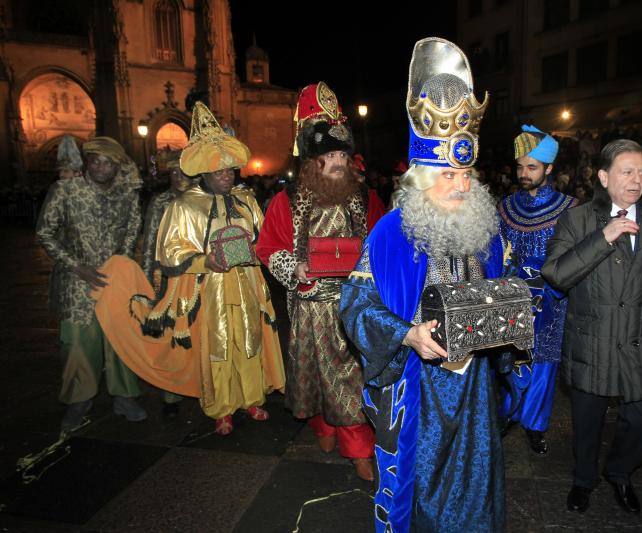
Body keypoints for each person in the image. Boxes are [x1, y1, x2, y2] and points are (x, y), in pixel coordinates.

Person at [340, 37, 507, 532]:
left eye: (467, 173)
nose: (461, 186)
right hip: (418, 386)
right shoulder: (390, 233)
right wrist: (407, 334)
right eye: (449, 174)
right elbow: (355, 305)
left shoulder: (487, 225)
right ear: (420, 174)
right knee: (423, 492)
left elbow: (503, 287)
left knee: (476, 487)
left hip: (474, 387)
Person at [91, 102, 285, 435]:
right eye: (219, 172)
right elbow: (171, 252)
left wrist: (255, 252)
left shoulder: (246, 200)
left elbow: (262, 236)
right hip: (210, 288)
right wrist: (204, 261)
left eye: (230, 170)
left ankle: (252, 397)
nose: (226, 176)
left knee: (250, 337)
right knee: (219, 344)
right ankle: (221, 407)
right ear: (205, 173)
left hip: (247, 282)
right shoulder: (184, 206)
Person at [542, 139, 642, 515]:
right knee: (587, 421)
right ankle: (584, 480)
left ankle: (620, 473)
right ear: (603, 176)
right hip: (593, 341)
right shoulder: (579, 219)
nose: (636, 180)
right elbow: (557, 275)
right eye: (627, 171)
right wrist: (604, 237)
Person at [255, 82, 383, 481]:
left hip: (355, 305)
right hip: (310, 306)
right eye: (328, 155)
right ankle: (323, 427)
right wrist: (292, 268)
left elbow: (382, 243)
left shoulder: (365, 198)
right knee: (315, 376)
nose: (337, 162)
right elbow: (267, 246)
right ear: (312, 161)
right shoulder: (287, 201)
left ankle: (359, 448)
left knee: (351, 378)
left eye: (342, 153)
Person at [36, 136, 147, 433]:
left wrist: (119, 267)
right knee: (77, 345)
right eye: (95, 161)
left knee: (120, 340)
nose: (100, 167)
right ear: (87, 163)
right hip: (76, 284)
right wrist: (76, 266)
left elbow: (131, 234)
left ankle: (124, 397)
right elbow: (45, 233)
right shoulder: (66, 191)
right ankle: (78, 401)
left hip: (114, 283)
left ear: (116, 166)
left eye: (107, 162)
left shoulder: (127, 195)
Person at [497, 125, 575, 455]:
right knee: (510, 360)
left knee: (543, 365)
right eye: (520, 166)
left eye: (532, 167)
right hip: (512, 298)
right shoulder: (505, 207)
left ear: (549, 168)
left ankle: (535, 425)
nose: (524, 173)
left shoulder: (570, 208)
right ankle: (508, 414)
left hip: (551, 301)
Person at [139, 149, 194, 416]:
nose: (179, 176)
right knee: (170, 335)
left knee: (197, 333)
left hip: (198, 277)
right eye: (173, 171)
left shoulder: (202, 200)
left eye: (184, 171)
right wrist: (149, 280)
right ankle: (170, 393)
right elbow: (149, 245)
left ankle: (200, 386)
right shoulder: (160, 202)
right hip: (169, 278)